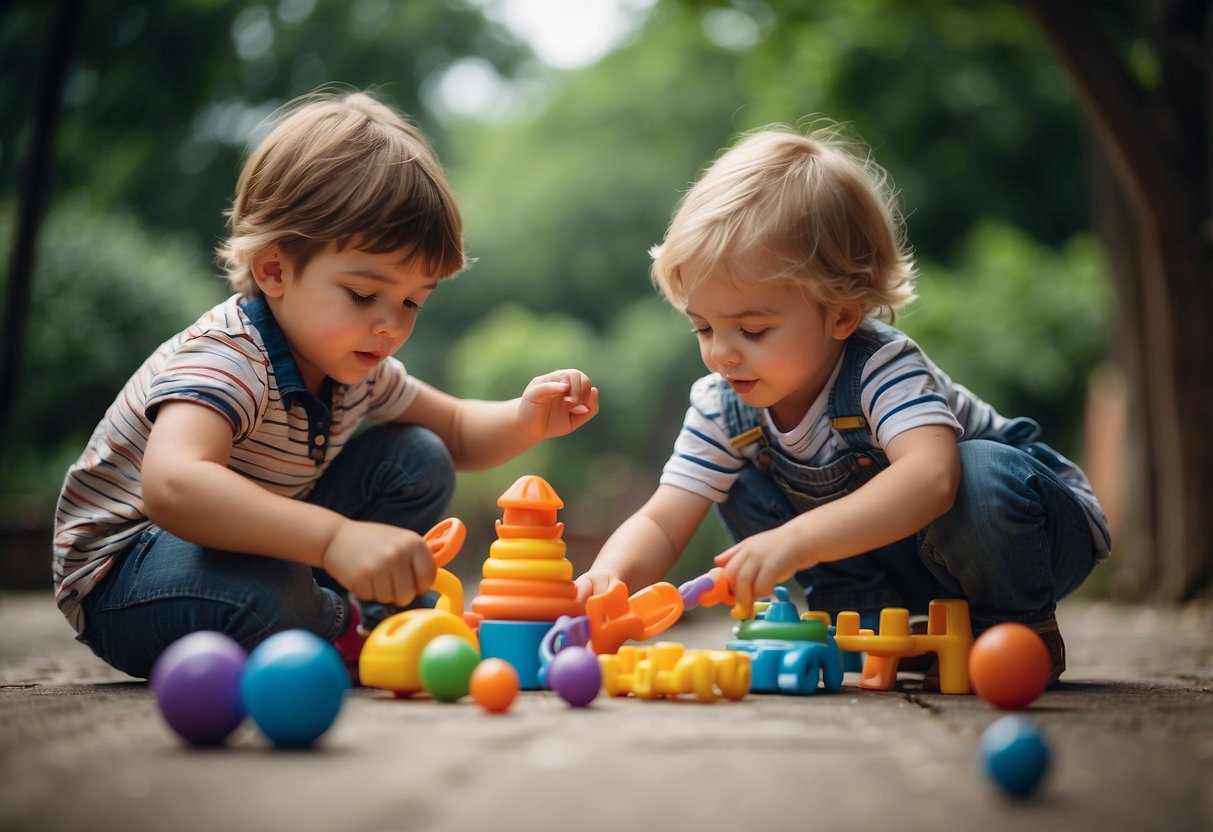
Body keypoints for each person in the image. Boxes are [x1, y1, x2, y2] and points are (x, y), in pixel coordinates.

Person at [53, 89, 599, 680]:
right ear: (274, 269)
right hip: (129, 576)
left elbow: (459, 432)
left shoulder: (356, 365)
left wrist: (527, 419)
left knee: (418, 456)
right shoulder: (230, 356)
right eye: (364, 295)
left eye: (412, 300)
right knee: (273, 591)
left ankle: (338, 617)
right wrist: (336, 538)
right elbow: (175, 486)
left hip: (268, 552)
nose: (391, 325)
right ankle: (349, 626)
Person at [575, 123, 1109, 685]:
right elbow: (662, 520)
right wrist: (610, 575)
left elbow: (932, 480)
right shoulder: (720, 406)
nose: (722, 355)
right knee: (732, 476)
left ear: (841, 315)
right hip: (901, 569)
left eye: (752, 330)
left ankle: (1016, 629)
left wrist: (796, 540)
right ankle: (871, 625)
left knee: (976, 469)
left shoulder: (880, 366)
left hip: (1023, 539)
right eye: (704, 328)